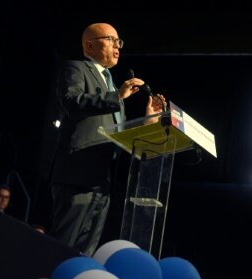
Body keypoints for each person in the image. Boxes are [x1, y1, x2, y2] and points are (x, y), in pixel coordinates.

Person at [49, 22, 165, 256]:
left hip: (103, 180)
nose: (117, 46)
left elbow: (118, 133)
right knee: (61, 249)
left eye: (119, 41)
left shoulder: (110, 83)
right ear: (89, 45)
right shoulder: (76, 68)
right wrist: (117, 96)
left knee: (85, 254)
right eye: (111, 40)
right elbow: (72, 103)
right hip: (77, 174)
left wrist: (148, 121)